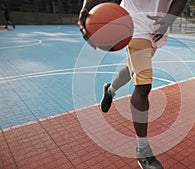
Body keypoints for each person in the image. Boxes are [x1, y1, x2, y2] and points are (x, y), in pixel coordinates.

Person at [78, 0, 187, 168]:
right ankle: (143, 149)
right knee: (143, 85)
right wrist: (86, 8)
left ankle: (110, 90)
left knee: (132, 69)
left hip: (157, 26)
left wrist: (170, 17)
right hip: (132, 22)